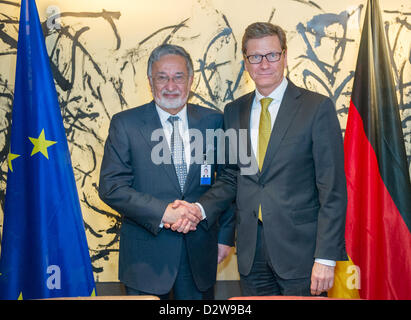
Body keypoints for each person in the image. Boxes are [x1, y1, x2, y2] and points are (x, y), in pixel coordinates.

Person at [172, 22, 347, 297]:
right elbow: (231, 177)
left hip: (302, 254)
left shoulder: (317, 108)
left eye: (272, 55)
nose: (264, 64)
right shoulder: (234, 111)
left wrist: (326, 258)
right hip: (252, 255)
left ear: (284, 56)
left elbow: (333, 190)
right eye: (255, 56)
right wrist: (199, 209)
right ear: (246, 62)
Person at [98, 44, 235, 300]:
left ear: (191, 80)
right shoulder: (125, 124)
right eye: (162, 77)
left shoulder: (215, 121)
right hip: (145, 260)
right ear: (150, 81)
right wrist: (165, 212)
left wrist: (224, 235)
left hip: (200, 254)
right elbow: (112, 186)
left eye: (178, 77)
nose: (170, 86)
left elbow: (228, 180)